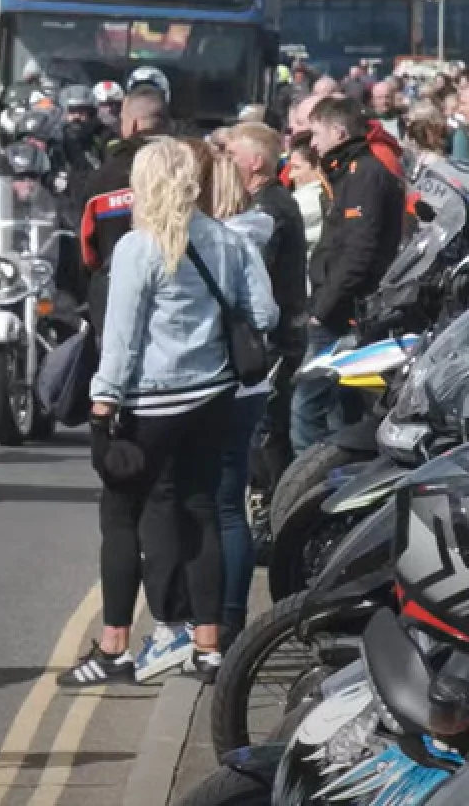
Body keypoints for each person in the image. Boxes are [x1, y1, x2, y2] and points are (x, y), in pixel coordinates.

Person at [60, 139, 277, 688]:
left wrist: (103, 402)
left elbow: (121, 338)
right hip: (213, 396)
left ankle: (114, 648)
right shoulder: (228, 239)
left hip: (150, 402)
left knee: (120, 518)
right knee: (200, 511)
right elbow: (264, 312)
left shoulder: (138, 247)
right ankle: (207, 647)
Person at [293, 96, 406, 458]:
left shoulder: (364, 174)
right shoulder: (349, 171)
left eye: (317, 134)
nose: (313, 144)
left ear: (339, 132)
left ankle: (309, 480)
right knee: (339, 407)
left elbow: (358, 253)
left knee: (306, 407)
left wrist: (322, 309)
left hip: (343, 310)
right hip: (338, 305)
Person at [200, 145, 277, 648]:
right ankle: (230, 619)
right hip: (251, 383)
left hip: (214, 381)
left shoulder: (216, 241)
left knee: (216, 506)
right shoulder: (252, 237)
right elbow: (266, 314)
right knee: (231, 505)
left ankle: (214, 619)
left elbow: (263, 313)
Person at [220, 122, 309, 537]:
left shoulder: (269, 209)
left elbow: (251, 270)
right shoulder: (264, 202)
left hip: (275, 337)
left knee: (267, 428)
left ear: (255, 162)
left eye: (232, 155)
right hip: (275, 332)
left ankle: (271, 515)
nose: (226, 162)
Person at [77, 89, 172, 336]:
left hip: (114, 299)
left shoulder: (103, 178)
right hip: (178, 298)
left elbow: (88, 253)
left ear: (133, 124)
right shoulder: (190, 168)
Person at [60, 84, 111, 174]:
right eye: (72, 111)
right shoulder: (58, 138)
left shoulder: (104, 135)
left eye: (81, 111)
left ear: (92, 113)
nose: (76, 116)